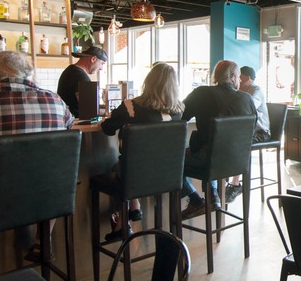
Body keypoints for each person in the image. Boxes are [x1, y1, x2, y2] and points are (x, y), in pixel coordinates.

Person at [0, 51, 74, 262]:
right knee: (50, 180)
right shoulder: (54, 100)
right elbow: (71, 125)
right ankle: (43, 242)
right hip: (49, 194)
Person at [99, 63, 184, 241]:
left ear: (148, 82)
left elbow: (107, 128)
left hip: (136, 174)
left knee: (118, 168)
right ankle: (134, 209)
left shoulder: (131, 106)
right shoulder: (178, 111)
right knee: (125, 169)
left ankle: (125, 220)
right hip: (168, 175)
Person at [180, 60, 257, 219]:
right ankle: (212, 196)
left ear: (216, 76)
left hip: (209, 158)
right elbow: (252, 128)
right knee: (214, 150)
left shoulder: (201, 93)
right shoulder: (247, 99)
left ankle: (197, 199)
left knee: (171, 160)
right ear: (235, 77)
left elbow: (181, 115)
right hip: (237, 160)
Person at [224, 65, 271, 204]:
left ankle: (235, 184)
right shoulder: (238, 91)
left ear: (248, 79)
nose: (237, 79)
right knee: (227, 141)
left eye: (240, 77)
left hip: (261, 132)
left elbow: (249, 108)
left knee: (240, 143)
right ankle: (223, 182)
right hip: (245, 130)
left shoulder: (256, 90)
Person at [56, 45, 108, 117]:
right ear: (93, 59)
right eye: (102, 63)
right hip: (76, 122)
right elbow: (89, 109)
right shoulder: (80, 77)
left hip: (68, 120)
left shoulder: (71, 71)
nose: (101, 68)